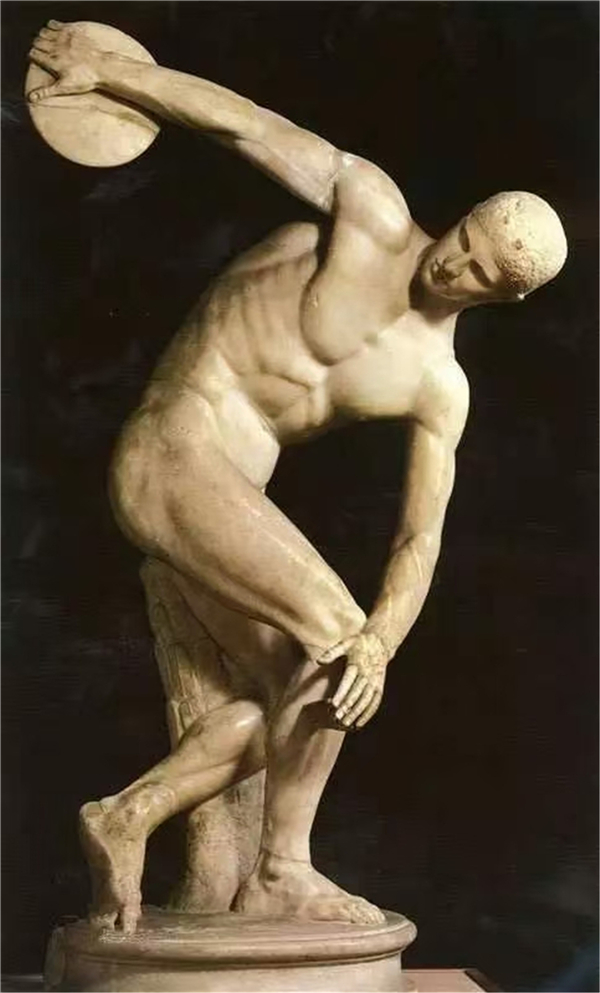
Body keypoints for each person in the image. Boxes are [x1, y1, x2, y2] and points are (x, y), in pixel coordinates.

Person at [29, 20, 568, 935]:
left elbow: (419, 537)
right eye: (466, 237)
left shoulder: (437, 385)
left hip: (225, 501)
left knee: (309, 687)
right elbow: (242, 125)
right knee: (332, 634)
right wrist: (109, 70)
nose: (452, 262)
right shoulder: (372, 211)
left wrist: (380, 644)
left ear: (502, 297)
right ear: (466, 213)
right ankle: (283, 869)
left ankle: (125, 817)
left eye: (479, 272)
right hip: (173, 444)